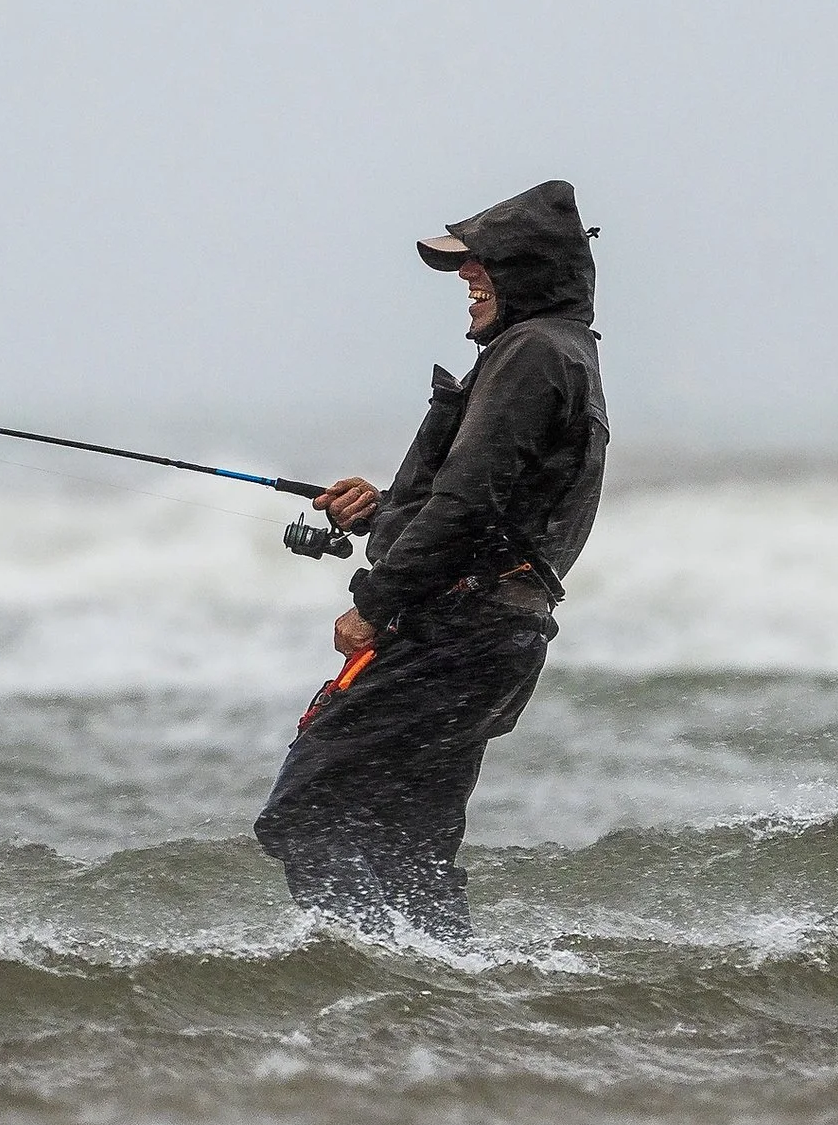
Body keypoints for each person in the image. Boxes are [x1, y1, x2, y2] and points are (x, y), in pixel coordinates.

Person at [253, 180, 608, 941]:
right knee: (409, 841)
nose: (466, 279)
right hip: (496, 637)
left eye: (480, 264)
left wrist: (374, 603)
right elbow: (498, 506)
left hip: (455, 634)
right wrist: (384, 508)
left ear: (528, 270)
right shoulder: (560, 354)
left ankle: (365, 970)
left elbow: (469, 505)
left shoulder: (532, 352)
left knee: (308, 808)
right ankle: (440, 987)